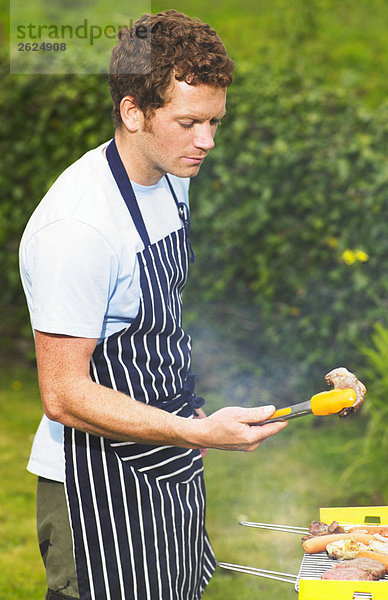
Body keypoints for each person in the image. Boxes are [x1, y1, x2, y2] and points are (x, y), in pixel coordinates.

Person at [19, 10, 287, 600]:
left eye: (216, 120)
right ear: (133, 112)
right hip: (91, 491)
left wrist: (201, 425)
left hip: (165, 458)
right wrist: (195, 433)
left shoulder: (171, 172)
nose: (207, 141)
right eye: (189, 122)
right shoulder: (79, 229)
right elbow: (63, 394)